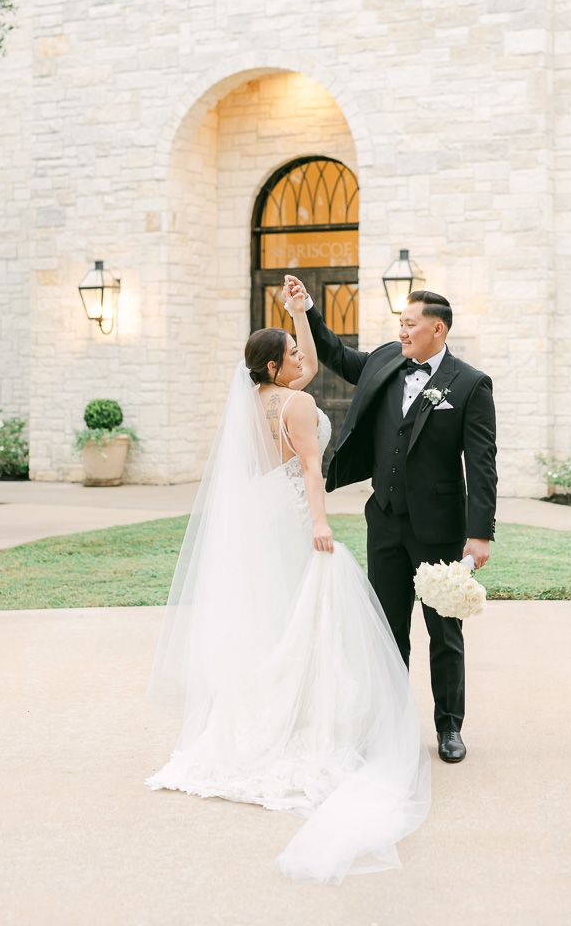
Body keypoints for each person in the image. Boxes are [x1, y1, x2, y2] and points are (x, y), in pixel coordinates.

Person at [145, 287, 430, 884]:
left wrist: (300, 316)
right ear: (276, 368)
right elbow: (308, 467)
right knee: (311, 608)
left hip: (260, 512)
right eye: (293, 358)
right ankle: (302, 720)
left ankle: (257, 714)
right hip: (297, 511)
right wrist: (321, 524)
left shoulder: (253, 400)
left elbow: (308, 364)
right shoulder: (297, 408)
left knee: (273, 610)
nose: (305, 364)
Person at [284, 276, 497, 764]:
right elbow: (338, 356)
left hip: (440, 526)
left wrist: (479, 534)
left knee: (444, 632)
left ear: (437, 330)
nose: (401, 332)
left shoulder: (469, 384)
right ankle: (391, 725)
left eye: (409, 325)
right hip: (384, 520)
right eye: (400, 325)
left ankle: (448, 729)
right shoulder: (385, 358)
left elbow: (481, 464)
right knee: (386, 632)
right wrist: (307, 309)